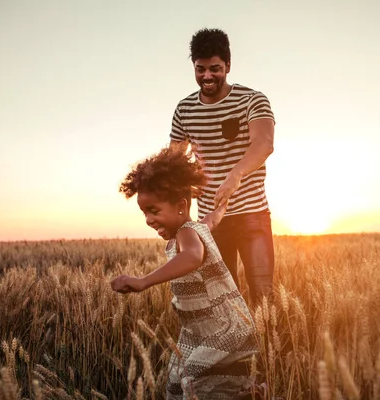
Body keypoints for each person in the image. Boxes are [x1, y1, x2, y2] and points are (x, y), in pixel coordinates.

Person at [110, 145, 259, 399]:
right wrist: (223, 203)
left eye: (153, 211)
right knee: (178, 381)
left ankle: (252, 393)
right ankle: (248, 392)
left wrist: (144, 281)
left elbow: (192, 256)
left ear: (181, 205)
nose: (148, 219)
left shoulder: (186, 233)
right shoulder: (199, 227)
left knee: (191, 382)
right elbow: (214, 218)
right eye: (144, 212)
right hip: (195, 330)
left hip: (219, 327)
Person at [169, 28, 276, 306]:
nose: (207, 76)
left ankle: (269, 349)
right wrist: (182, 218)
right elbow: (175, 164)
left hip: (252, 214)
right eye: (200, 69)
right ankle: (240, 351)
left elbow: (263, 144)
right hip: (210, 222)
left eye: (215, 69)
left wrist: (235, 176)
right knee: (225, 300)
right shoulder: (184, 110)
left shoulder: (252, 100)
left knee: (263, 297)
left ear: (228, 65)